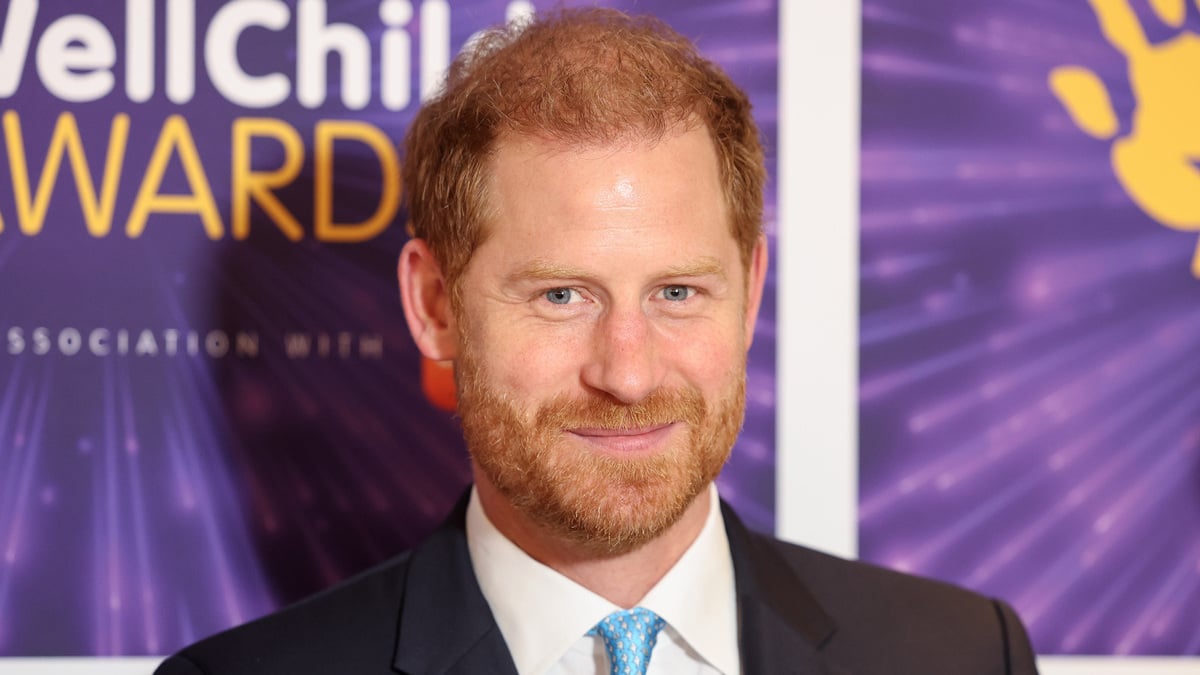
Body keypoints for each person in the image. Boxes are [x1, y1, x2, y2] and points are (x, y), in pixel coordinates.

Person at [156, 8, 1039, 675]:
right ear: (434, 305)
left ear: (751, 293)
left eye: (679, 291)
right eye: (562, 294)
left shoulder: (961, 657)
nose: (627, 369)